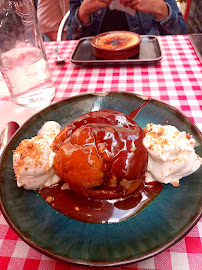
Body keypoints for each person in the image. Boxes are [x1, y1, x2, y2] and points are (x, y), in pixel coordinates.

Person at [66, 0, 188, 40]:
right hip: (95, 62)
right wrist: (83, 13)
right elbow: (70, 42)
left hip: (145, 59)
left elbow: (182, 36)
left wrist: (160, 8)